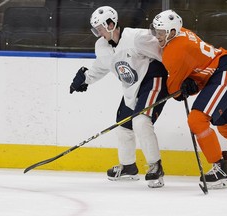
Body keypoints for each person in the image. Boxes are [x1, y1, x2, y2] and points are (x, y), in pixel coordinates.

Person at [150, 9, 227, 189]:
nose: (157, 36)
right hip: (225, 75)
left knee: (196, 120)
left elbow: (175, 90)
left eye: (161, 32)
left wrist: (186, 88)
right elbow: (197, 65)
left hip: (223, 77)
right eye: (155, 31)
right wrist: (191, 83)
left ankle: (219, 169)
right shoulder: (184, 33)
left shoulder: (174, 49)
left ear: (172, 32)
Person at [69, 6, 169, 188]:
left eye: (100, 29)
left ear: (110, 24)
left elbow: (166, 53)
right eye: (96, 30)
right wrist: (85, 79)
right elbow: (101, 66)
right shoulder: (102, 45)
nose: (99, 34)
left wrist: (183, 75)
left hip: (152, 79)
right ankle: (128, 167)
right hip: (133, 86)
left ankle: (155, 167)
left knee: (141, 121)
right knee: (123, 125)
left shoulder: (137, 37)